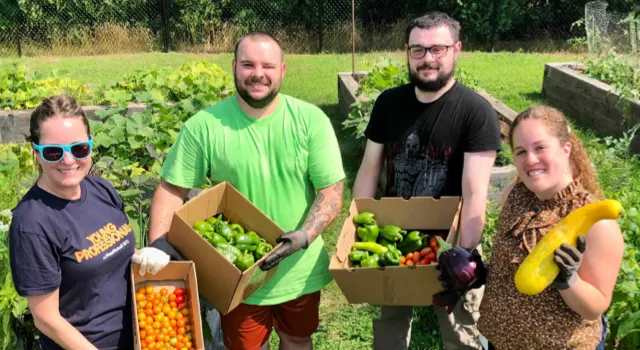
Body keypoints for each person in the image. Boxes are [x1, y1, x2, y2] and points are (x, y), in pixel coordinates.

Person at [147, 31, 345, 350]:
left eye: (268, 65)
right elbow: (171, 188)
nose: (257, 74)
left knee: (297, 339)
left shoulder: (311, 121)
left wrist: (305, 235)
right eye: (247, 64)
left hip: (298, 270)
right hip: (236, 274)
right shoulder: (205, 126)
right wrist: (158, 246)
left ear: (282, 70)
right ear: (234, 67)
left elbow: (331, 190)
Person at [352, 12, 502, 350]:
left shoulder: (475, 112)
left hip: (449, 244)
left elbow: (474, 192)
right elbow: (369, 170)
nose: (427, 59)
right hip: (396, 239)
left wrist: (464, 255)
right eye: (418, 50)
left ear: (456, 49)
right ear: (407, 52)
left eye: (438, 49)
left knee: (459, 332)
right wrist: (357, 227)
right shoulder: (388, 104)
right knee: (390, 326)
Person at [8, 94, 170, 350]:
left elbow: (112, 251)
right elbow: (46, 318)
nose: (68, 160)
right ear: (36, 153)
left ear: (91, 145)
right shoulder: (32, 223)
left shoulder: (99, 188)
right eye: (53, 152)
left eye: (78, 148)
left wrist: (141, 256)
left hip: (143, 335)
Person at [477, 105, 624, 349]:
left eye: (540, 148)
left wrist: (568, 280)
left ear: (566, 149)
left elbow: (595, 307)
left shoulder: (597, 222)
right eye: (521, 151)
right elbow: (510, 265)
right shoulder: (512, 194)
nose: (530, 160)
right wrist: (478, 273)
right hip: (501, 342)